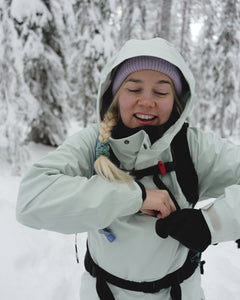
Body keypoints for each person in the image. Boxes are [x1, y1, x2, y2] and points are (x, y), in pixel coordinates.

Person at [16, 38, 240, 300]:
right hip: (103, 292)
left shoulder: (194, 147)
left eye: (161, 92)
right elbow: (31, 200)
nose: (146, 102)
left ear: (177, 100)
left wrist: (211, 222)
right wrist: (136, 196)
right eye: (133, 89)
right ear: (115, 95)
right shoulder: (94, 143)